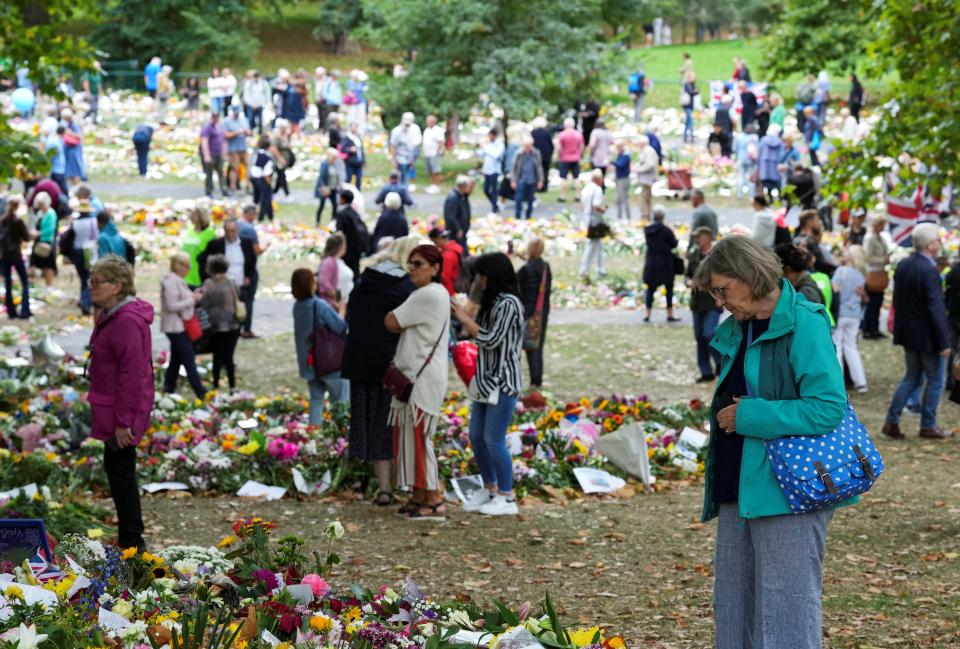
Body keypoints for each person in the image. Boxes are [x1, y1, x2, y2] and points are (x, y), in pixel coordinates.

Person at [692, 235, 847, 649]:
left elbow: (827, 407)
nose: (720, 301)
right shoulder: (740, 327)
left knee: (787, 612)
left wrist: (749, 415)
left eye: (722, 289)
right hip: (739, 485)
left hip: (788, 490)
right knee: (735, 606)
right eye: (714, 294)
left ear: (750, 275)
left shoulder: (804, 322)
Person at [341, 238, 418, 505]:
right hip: (390, 366)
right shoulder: (406, 287)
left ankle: (381, 485)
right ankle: (404, 484)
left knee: (369, 426)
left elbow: (350, 315)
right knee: (390, 426)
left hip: (359, 362)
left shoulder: (365, 280)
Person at [87, 257, 154, 551]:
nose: (91, 288)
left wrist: (124, 421)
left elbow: (132, 374)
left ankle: (132, 542)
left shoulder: (126, 320)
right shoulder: (111, 314)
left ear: (117, 286)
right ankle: (129, 537)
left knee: (121, 470)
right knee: (116, 468)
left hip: (121, 411)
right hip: (110, 407)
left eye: (97, 282)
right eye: (90, 281)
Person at [451, 252, 524, 516]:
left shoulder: (509, 304)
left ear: (491, 276)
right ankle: (490, 488)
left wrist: (463, 317)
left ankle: (506, 497)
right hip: (484, 380)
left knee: (494, 440)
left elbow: (490, 339)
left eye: (481, 275)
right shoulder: (492, 302)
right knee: (477, 437)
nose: (478, 281)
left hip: (502, 381)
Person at [384, 244, 450, 519]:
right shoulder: (438, 293)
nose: (412, 269)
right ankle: (419, 494)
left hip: (420, 377)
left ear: (435, 269)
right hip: (421, 375)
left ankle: (433, 497)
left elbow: (391, 322)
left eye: (418, 264)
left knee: (420, 438)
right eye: (410, 263)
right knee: (413, 437)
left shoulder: (426, 294)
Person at [883, 223, 953, 440]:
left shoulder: (904, 264)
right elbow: (935, 308)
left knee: (912, 377)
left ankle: (891, 421)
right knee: (935, 380)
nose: (940, 244)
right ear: (930, 244)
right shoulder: (929, 269)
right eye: (938, 240)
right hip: (928, 336)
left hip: (909, 334)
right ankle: (928, 425)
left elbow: (898, 301)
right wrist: (944, 342)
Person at [290, 268, 348, 425]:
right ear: (310, 285)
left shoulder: (297, 307)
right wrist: (342, 309)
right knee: (341, 399)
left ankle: (314, 430)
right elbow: (340, 326)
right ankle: (339, 433)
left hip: (309, 364)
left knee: (316, 399)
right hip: (329, 363)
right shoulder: (319, 305)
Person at [160, 253, 206, 399]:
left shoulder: (178, 281)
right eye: (187, 266)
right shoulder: (171, 282)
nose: (188, 269)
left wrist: (193, 294)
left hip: (178, 326)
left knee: (176, 359)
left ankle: (169, 387)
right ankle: (201, 392)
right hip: (175, 327)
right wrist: (193, 299)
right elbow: (172, 305)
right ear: (178, 266)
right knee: (188, 358)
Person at [199, 254, 242, 390]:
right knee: (229, 356)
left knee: (217, 356)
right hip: (233, 324)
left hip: (216, 326)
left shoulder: (209, 284)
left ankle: (216, 384)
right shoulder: (232, 281)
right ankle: (232, 385)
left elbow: (204, 303)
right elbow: (238, 296)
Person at [686, 227, 722, 381]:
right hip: (697, 301)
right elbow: (687, 274)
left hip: (712, 301)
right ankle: (705, 372)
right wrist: (688, 282)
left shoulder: (716, 256)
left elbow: (722, 277)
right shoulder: (694, 254)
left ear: (708, 237)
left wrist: (703, 283)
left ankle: (720, 362)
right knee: (699, 337)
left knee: (709, 333)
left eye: (698, 236)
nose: (696, 240)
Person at [832, 245, 869, 393]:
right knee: (851, 347)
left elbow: (835, 289)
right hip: (854, 315)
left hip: (840, 313)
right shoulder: (861, 275)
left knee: (837, 348)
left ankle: (837, 382)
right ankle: (861, 382)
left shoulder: (841, 271)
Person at [517, 239, 552, 389]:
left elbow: (517, 288)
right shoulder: (545, 268)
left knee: (525, 349)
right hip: (541, 314)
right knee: (538, 348)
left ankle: (524, 381)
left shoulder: (525, 270)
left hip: (527, 314)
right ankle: (536, 381)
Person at [643, 206, 680, 323]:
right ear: (663, 216)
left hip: (652, 262)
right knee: (669, 288)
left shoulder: (648, 230)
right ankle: (670, 314)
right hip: (665, 262)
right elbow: (674, 244)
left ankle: (647, 314)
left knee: (650, 289)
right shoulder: (667, 231)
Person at [237, 205, 268, 338]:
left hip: (237, 267)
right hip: (249, 269)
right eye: (254, 215)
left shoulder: (237, 224)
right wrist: (266, 246)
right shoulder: (249, 230)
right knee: (248, 300)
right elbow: (256, 251)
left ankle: (237, 327)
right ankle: (247, 328)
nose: (255, 217)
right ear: (249, 214)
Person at [0, 200, 32, 319]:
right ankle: (25, 310)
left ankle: (11, 311)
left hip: (4, 256)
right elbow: (27, 237)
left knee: (8, 284)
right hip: (16, 255)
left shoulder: (2, 221)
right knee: (24, 281)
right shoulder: (18, 221)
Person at [68, 197, 99, 315]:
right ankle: (85, 301)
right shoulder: (93, 222)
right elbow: (96, 237)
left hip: (77, 252)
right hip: (89, 251)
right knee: (90, 277)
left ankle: (83, 300)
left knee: (83, 278)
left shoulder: (75, 223)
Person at [862, 216, 889, 339]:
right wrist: (882, 260)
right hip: (873, 274)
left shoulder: (880, 238)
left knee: (878, 303)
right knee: (872, 304)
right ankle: (868, 329)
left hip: (880, 273)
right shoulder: (870, 238)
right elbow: (868, 257)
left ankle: (875, 328)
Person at [579, 169, 607, 280]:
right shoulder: (597, 189)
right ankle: (584, 270)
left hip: (587, 218)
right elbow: (596, 206)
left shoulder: (585, 189)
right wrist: (603, 209)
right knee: (591, 245)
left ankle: (600, 268)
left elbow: (581, 206)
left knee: (599, 245)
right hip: (595, 220)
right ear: (598, 179)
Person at [333, 190, 368, 276]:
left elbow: (339, 233)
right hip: (357, 248)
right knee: (355, 271)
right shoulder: (355, 213)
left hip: (347, 249)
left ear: (343, 199)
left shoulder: (341, 214)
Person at [181, 207, 216, 290]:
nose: (191, 216)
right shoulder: (190, 230)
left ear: (201, 216)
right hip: (185, 271)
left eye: (194, 214)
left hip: (199, 272)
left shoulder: (209, 233)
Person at [511, 136, 544, 220]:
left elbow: (539, 167)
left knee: (530, 200)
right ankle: (517, 217)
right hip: (521, 179)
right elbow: (514, 167)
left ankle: (528, 216)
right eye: (526, 146)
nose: (527, 148)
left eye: (529, 146)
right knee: (518, 199)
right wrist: (513, 180)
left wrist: (540, 180)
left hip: (532, 179)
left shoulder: (536, 153)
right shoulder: (518, 153)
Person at [30, 192, 57, 289]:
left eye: (42, 204)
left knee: (48, 265)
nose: (40, 206)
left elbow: (51, 228)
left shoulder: (51, 213)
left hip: (47, 241)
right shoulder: (39, 213)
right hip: (38, 240)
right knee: (35, 264)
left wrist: (39, 233)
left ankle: (49, 285)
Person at [389, 112, 421, 188]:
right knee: (401, 178)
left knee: (406, 177)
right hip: (400, 158)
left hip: (409, 159)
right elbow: (393, 146)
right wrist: (393, 160)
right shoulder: (396, 131)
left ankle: (404, 192)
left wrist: (412, 159)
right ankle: (402, 193)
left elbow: (413, 146)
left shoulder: (411, 130)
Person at [223, 104, 251, 193]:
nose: (237, 114)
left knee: (248, 166)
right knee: (234, 168)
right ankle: (233, 186)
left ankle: (248, 185)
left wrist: (246, 132)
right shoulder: (227, 121)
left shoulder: (244, 120)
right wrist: (236, 132)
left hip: (243, 147)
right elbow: (225, 135)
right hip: (233, 148)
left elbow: (249, 132)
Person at [556, 117, 584, 203]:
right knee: (577, 178)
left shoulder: (562, 135)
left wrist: (558, 156)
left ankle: (562, 196)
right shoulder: (579, 134)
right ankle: (578, 195)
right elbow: (582, 147)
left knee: (563, 178)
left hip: (564, 158)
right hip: (576, 158)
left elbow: (558, 148)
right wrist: (580, 155)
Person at [200, 111, 226, 199]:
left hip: (218, 153)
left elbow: (222, 140)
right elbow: (204, 141)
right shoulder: (207, 127)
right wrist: (206, 155)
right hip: (211, 154)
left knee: (221, 172)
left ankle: (224, 190)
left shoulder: (219, 127)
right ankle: (209, 191)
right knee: (209, 173)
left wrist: (224, 152)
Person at [477, 129, 504, 215]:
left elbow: (496, 155)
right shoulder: (488, 144)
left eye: (491, 136)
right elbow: (481, 153)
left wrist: (485, 148)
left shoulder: (500, 145)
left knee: (494, 190)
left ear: (494, 135)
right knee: (486, 189)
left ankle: (494, 209)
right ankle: (495, 204)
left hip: (495, 170)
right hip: (487, 170)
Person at [444, 176, 473, 253]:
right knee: (460, 253)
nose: (471, 189)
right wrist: (458, 229)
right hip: (455, 233)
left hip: (462, 231)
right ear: (462, 186)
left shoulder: (462, 196)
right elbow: (449, 217)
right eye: (469, 186)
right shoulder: (453, 197)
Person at [428, 228, 463, 295]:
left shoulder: (447, 256)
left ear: (438, 238)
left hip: (448, 290)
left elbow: (444, 277)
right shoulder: (456, 247)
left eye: (434, 241)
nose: (434, 244)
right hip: (455, 287)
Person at [315, 148, 345, 225]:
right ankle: (318, 222)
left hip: (333, 189)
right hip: (325, 189)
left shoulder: (335, 164)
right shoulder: (325, 164)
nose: (335, 159)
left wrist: (340, 184)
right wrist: (323, 188)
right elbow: (321, 178)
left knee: (335, 205)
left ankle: (333, 222)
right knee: (322, 206)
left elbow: (337, 175)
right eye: (334, 157)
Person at [317, 233, 347, 307]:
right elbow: (324, 285)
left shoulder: (335, 261)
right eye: (344, 244)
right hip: (329, 304)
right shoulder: (329, 262)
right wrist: (339, 300)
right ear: (340, 246)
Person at [250, 135, 275, 223]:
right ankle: (260, 219)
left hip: (253, 178)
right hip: (262, 179)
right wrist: (269, 184)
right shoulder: (268, 157)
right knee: (264, 200)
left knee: (257, 199)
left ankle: (271, 217)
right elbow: (266, 173)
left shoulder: (256, 154)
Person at [757, 125, 784, 199]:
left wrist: (758, 163)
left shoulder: (763, 140)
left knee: (766, 182)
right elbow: (781, 154)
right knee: (776, 181)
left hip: (764, 164)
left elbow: (759, 152)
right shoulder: (779, 142)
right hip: (775, 163)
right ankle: (779, 197)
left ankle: (770, 198)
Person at [635, 135, 658, 221]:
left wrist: (638, 170)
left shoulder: (648, 151)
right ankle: (647, 214)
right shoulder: (647, 150)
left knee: (644, 198)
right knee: (646, 197)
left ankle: (645, 215)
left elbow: (650, 164)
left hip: (647, 178)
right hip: (646, 178)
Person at [241, 70, 271, 134]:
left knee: (260, 120)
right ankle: (250, 132)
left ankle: (260, 133)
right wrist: (251, 104)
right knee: (250, 119)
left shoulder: (263, 83)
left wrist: (266, 103)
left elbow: (267, 94)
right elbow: (246, 95)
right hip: (251, 105)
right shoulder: (249, 83)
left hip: (260, 105)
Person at [732, 126, 758, 199]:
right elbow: (757, 148)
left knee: (741, 177)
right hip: (751, 159)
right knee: (751, 177)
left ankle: (740, 194)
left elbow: (734, 148)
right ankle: (752, 194)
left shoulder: (739, 137)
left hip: (741, 158)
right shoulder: (754, 137)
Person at [421, 115, 445, 194]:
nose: (428, 122)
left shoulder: (438, 130)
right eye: (427, 121)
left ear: (434, 122)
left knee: (436, 170)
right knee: (431, 170)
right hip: (427, 153)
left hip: (434, 154)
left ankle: (437, 186)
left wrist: (437, 152)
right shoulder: (426, 130)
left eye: (430, 121)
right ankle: (433, 185)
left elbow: (440, 142)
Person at [61, 109, 86, 185]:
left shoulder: (74, 124)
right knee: (70, 172)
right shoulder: (68, 124)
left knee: (75, 171)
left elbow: (80, 136)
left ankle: (77, 186)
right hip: (69, 149)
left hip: (74, 150)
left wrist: (71, 133)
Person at [270, 119, 293, 200]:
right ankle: (287, 194)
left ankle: (273, 193)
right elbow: (273, 148)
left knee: (280, 177)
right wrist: (279, 158)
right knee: (282, 176)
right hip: (278, 159)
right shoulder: (276, 136)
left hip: (285, 158)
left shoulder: (286, 135)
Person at [530, 117, 554, 191]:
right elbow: (551, 145)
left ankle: (536, 187)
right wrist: (550, 154)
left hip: (535, 156)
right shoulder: (547, 132)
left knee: (535, 171)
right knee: (545, 171)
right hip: (545, 156)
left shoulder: (532, 132)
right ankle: (544, 187)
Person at [341, 121, 365, 189]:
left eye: (356, 126)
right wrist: (350, 150)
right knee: (349, 179)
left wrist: (363, 160)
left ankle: (358, 195)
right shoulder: (347, 137)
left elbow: (361, 150)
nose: (355, 128)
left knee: (358, 180)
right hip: (350, 162)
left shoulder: (358, 136)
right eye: (354, 126)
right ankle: (347, 195)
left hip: (358, 162)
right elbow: (343, 148)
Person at [44, 125, 67, 194]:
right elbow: (50, 156)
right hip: (56, 170)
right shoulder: (54, 142)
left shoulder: (56, 140)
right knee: (62, 191)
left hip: (59, 169)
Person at [613, 141, 632, 222]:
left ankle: (628, 217)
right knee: (618, 198)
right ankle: (619, 217)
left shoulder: (626, 156)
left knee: (624, 198)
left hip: (624, 179)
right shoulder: (620, 155)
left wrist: (612, 162)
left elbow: (620, 165)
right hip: (619, 178)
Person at [681, 72, 698, 143]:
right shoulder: (687, 84)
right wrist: (694, 91)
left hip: (690, 105)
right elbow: (691, 92)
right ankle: (691, 136)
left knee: (688, 121)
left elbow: (696, 92)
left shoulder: (692, 84)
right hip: (687, 105)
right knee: (690, 121)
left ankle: (686, 136)